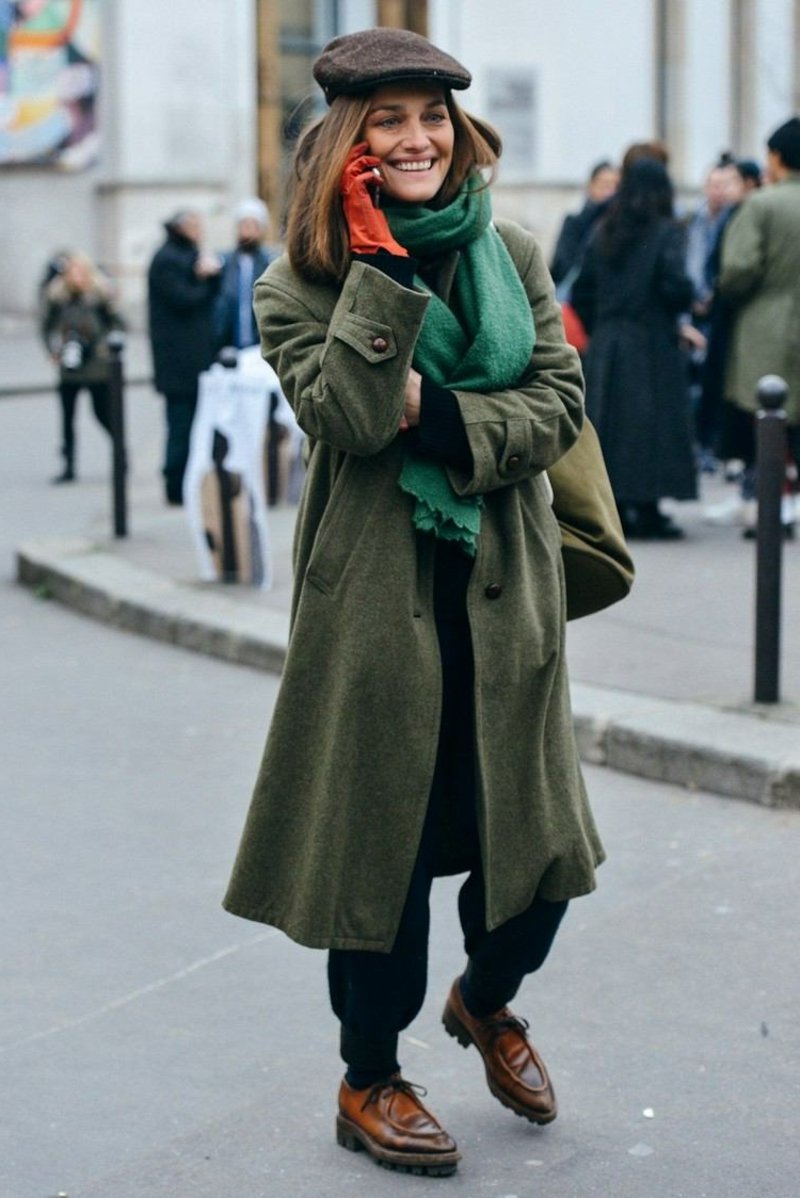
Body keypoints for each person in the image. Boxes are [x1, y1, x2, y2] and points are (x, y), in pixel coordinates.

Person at [223, 26, 605, 1178]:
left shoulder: (515, 252)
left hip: (504, 595)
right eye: (387, 118)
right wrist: (381, 271)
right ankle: (368, 1076)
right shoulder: (296, 284)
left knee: (535, 859)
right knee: (377, 861)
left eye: (430, 115)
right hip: (376, 614)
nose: (416, 136)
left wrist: (435, 422)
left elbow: (557, 403)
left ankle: (486, 999)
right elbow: (345, 415)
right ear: (345, 140)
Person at [571, 158, 697, 538]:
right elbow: (675, 286)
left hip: (610, 341)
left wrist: (603, 327)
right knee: (653, 427)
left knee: (612, 426)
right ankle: (649, 507)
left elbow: (581, 291)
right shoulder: (667, 232)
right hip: (652, 340)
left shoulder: (604, 229)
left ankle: (618, 508)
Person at [718, 117, 800, 538]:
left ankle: (776, 510)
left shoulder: (762, 205)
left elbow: (739, 269)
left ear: (777, 157)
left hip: (766, 327)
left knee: (768, 427)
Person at [147, 210, 221, 505]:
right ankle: (175, 486)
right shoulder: (168, 259)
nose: (200, 230)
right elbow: (186, 300)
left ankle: (186, 484)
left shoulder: (181, 254)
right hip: (178, 364)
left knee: (193, 424)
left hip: (189, 361)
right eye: (194, 225)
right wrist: (208, 278)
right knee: (181, 426)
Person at [40, 250, 124, 483]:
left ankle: (120, 455)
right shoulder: (58, 297)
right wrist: (53, 351)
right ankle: (68, 464)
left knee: (102, 412)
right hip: (70, 364)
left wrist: (106, 348)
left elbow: (117, 325)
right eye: (72, 271)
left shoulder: (99, 296)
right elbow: (46, 327)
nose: (76, 276)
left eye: (80, 271)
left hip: (96, 365)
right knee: (67, 417)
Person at [213, 197, 275, 350]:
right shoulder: (223, 262)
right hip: (229, 346)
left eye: (252, 225)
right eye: (243, 224)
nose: (247, 230)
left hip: (260, 345)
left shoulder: (271, 262)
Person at [549, 158, 619, 295]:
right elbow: (563, 266)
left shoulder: (621, 228)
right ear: (591, 186)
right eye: (604, 185)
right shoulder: (574, 223)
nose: (609, 193)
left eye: (615, 187)